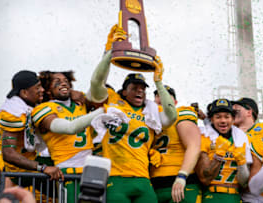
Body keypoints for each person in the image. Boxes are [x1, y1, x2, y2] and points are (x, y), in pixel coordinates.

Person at [89, 25, 178, 202]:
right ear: (124, 91)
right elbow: (96, 82)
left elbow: (172, 115)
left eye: (143, 89)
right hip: (116, 178)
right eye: (134, 88)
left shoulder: (150, 111)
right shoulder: (114, 102)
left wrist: (158, 82)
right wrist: (109, 53)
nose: (140, 92)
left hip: (143, 180)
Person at [31, 70, 105, 203]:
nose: (63, 84)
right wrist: (104, 110)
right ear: (48, 89)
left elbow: (97, 83)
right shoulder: (43, 109)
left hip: (90, 171)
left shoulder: (80, 104)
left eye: (66, 81)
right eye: (57, 82)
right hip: (67, 171)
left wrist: (108, 54)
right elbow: (70, 128)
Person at [0, 70, 63, 188]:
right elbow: (8, 153)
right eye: (37, 88)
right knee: (67, 174)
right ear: (24, 92)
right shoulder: (13, 111)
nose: (42, 90)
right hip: (22, 172)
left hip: (34, 163)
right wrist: (42, 168)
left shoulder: (29, 104)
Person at [150, 85, 201, 203]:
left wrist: (182, 176)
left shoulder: (181, 114)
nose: (162, 98)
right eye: (158, 95)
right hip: (154, 185)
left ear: (175, 102)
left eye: (167, 96)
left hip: (180, 182)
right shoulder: (149, 119)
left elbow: (194, 146)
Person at [195, 99, 252, 202]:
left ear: (233, 119)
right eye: (218, 117)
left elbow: (244, 183)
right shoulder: (204, 137)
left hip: (235, 196)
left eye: (227, 116)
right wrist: (219, 156)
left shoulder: (241, 138)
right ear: (211, 119)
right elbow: (204, 179)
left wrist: (242, 163)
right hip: (212, 195)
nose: (223, 120)